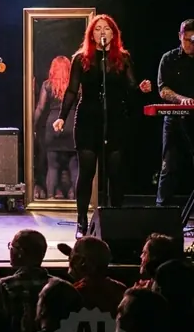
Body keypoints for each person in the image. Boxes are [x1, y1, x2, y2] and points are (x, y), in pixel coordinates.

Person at [53, 14, 152, 235]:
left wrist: (141, 89)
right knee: (87, 172)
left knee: (115, 173)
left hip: (115, 120)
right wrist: (62, 116)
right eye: (98, 30)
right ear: (91, 34)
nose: (102, 33)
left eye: (106, 29)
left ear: (113, 34)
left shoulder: (122, 58)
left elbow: (131, 88)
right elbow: (71, 90)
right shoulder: (81, 59)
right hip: (88, 120)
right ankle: (81, 221)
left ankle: (115, 219)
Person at [154, 18, 194, 206]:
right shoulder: (169, 59)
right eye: (186, 39)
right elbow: (163, 89)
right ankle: (161, 215)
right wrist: (181, 100)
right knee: (169, 166)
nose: (190, 44)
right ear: (180, 36)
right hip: (175, 120)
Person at [33, 56, 77, 199]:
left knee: (52, 166)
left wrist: (33, 127)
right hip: (71, 123)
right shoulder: (76, 85)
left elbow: (40, 108)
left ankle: (50, 198)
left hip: (53, 125)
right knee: (74, 166)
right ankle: (77, 199)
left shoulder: (47, 85)